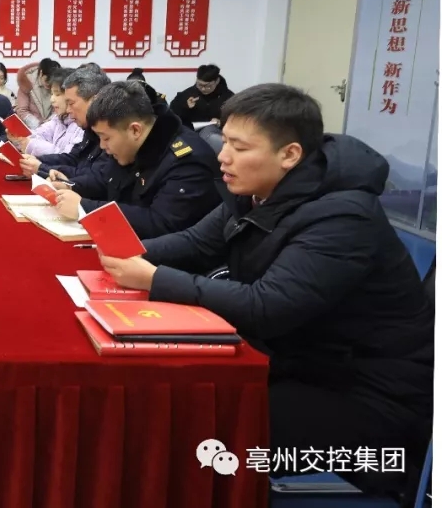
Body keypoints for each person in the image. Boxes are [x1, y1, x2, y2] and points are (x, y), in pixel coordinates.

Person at [97, 84, 433, 498]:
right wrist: (125, 254)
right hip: (300, 361)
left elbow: (267, 306)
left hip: (367, 397)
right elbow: (196, 243)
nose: (223, 156)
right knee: (176, 395)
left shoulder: (343, 216)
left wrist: (153, 279)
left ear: (289, 154)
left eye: (239, 147)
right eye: (225, 141)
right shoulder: (258, 191)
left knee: (203, 431)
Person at [52, 80, 221, 239]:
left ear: (135, 130)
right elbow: (107, 180)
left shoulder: (186, 161)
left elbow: (160, 223)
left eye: (106, 138)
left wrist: (84, 208)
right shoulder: (131, 146)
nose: (102, 146)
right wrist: (71, 185)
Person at [18, 67, 111, 187]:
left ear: (94, 101)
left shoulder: (111, 130)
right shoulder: (88, 129)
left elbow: (95, 179)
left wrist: (41, 168)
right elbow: (73, 158)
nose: (68, 110)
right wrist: (37, 161)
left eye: (71, 103)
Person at [12, 67, 85, 157]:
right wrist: (19, 137)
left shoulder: (82, 126)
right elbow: (38, 134)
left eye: (57, 94)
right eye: (52, 94)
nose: (52, 99)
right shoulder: (58, 119)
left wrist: (31, 144)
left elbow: (66, 158)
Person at [15, 57, 61, 129]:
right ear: (41, 73)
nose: (49, 83)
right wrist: (36, 125)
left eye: (51, 81)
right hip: (30, 128)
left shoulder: (58, 84)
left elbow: (59, 108)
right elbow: (22, 110)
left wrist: (50, 122)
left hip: (51, 128)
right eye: (46, 80)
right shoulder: (27, 81)